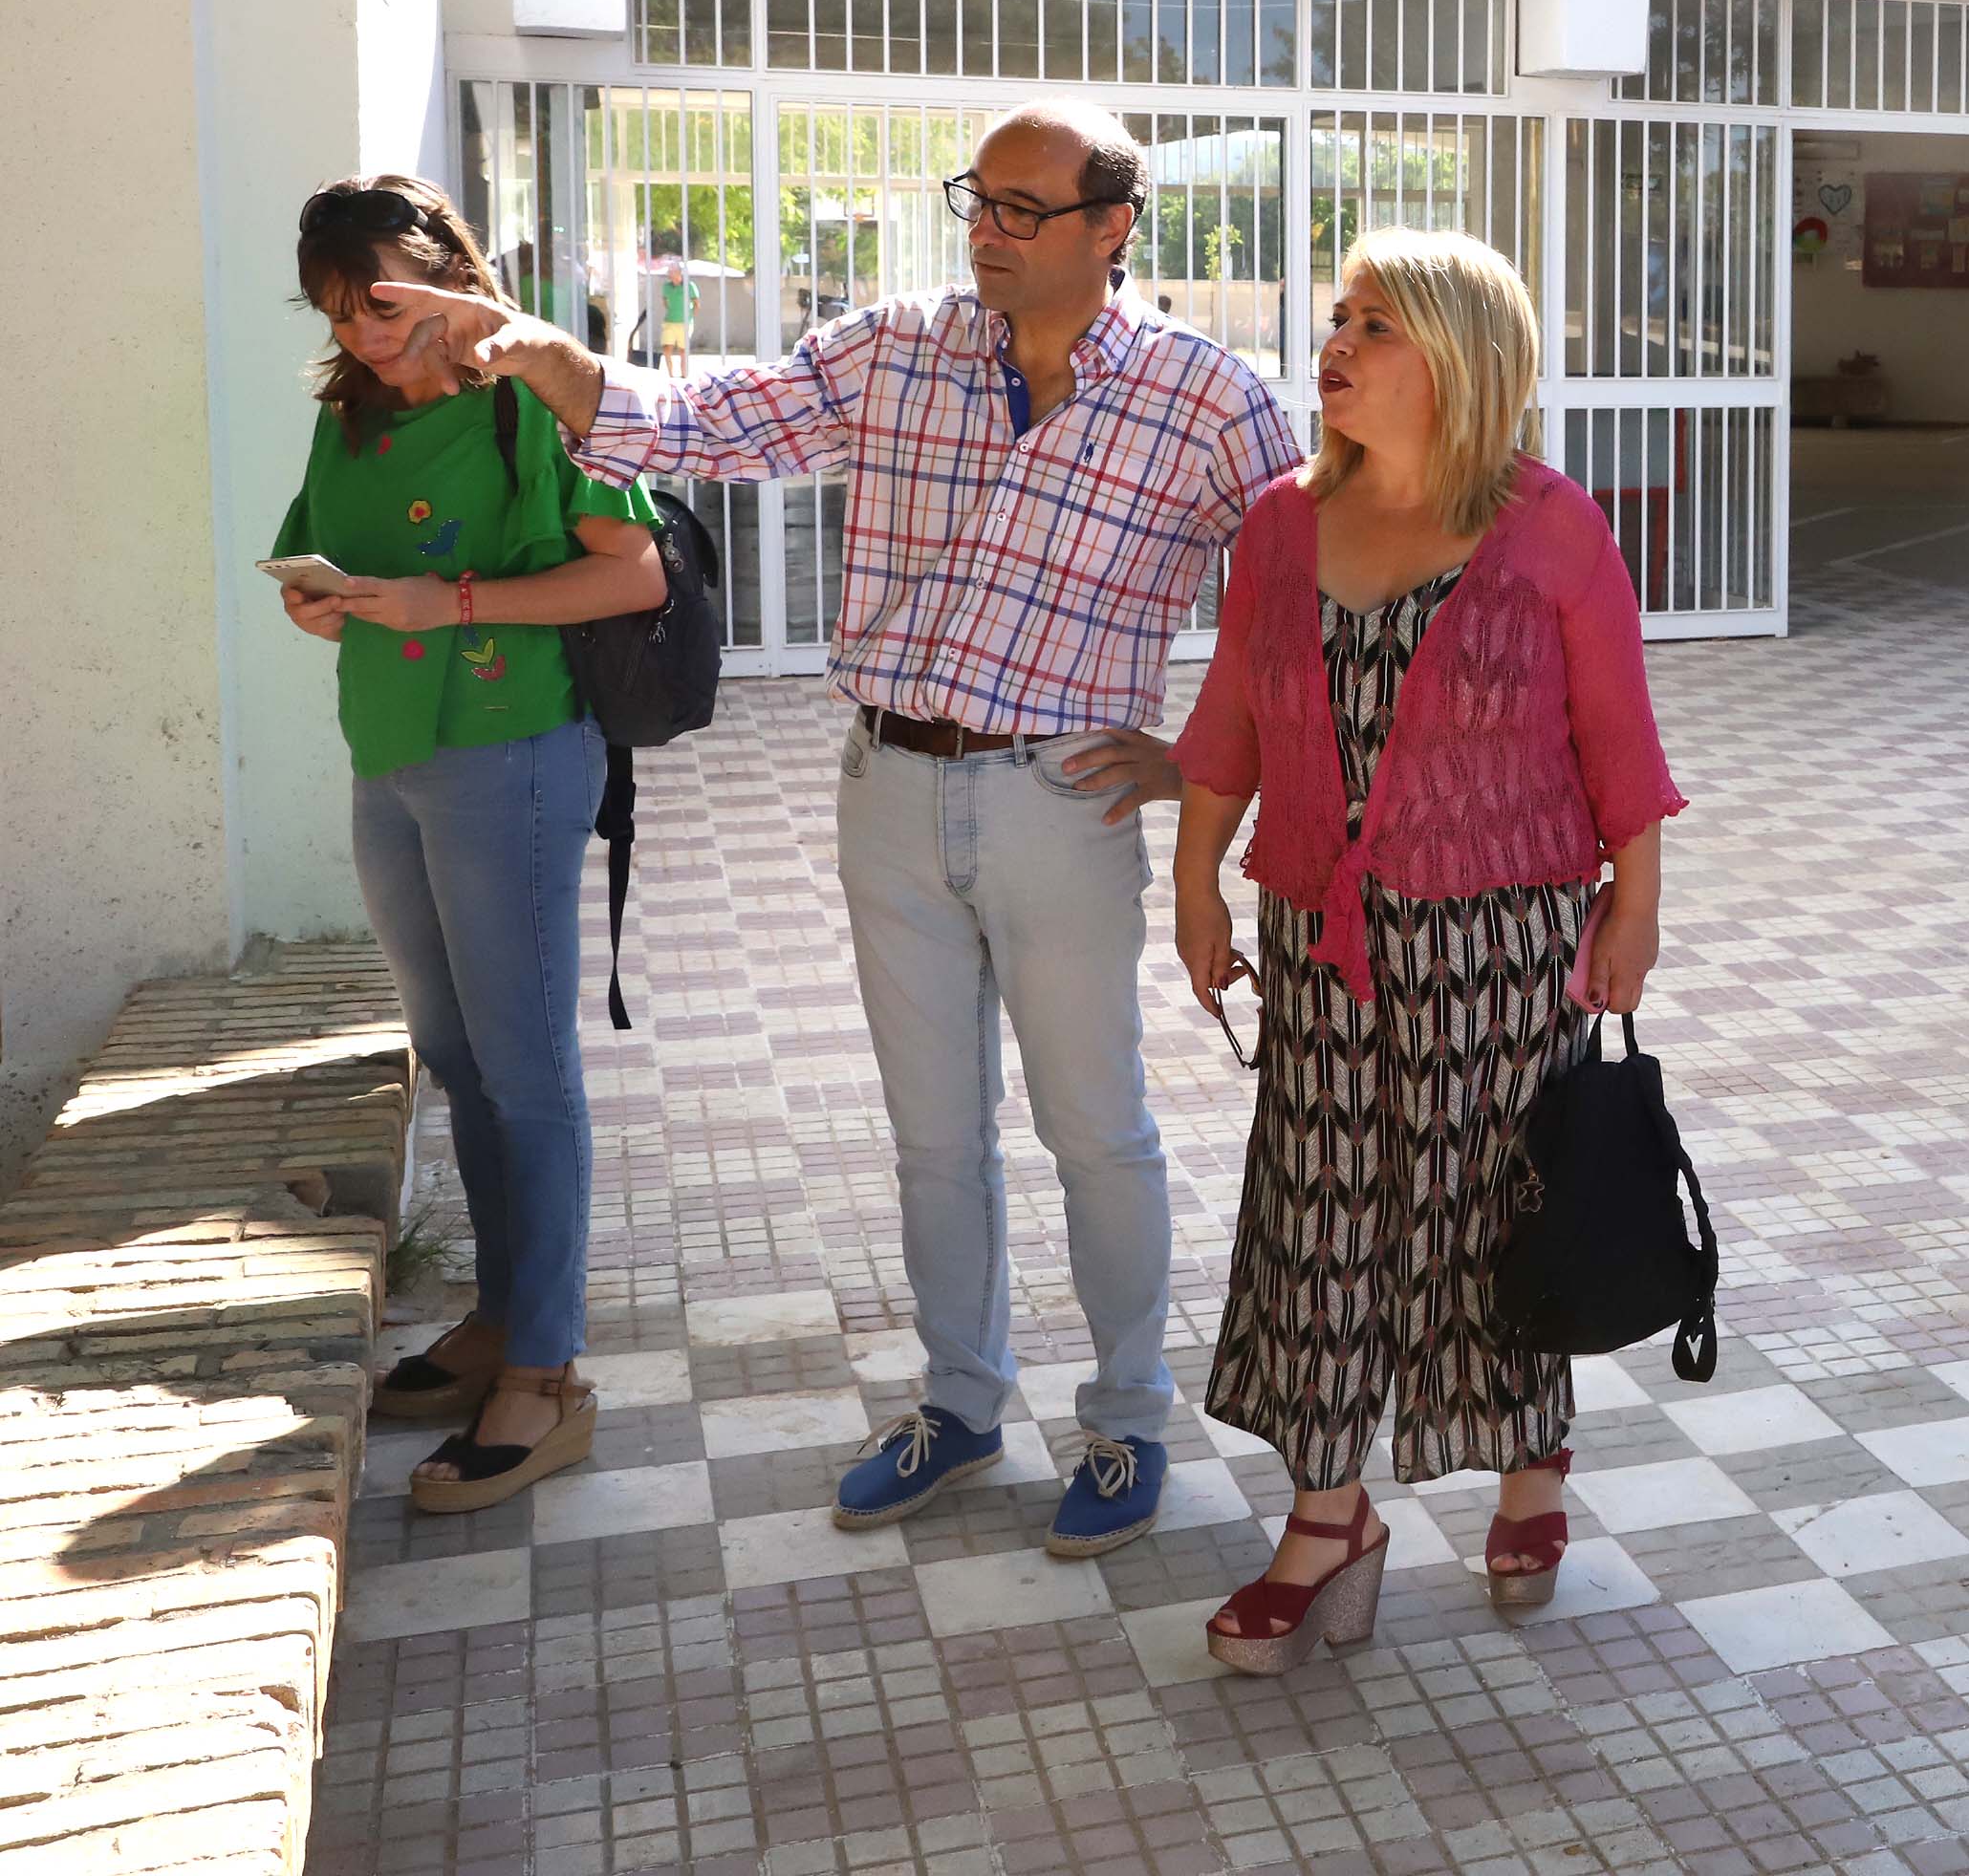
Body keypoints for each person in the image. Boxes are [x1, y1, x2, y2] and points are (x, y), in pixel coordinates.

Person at [363, 107, 1303, 1559]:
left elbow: (1297, 602)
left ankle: (1126, 1421)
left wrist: (1199, 765)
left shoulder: (1207, 398)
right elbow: (700, 424)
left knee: (1096, 1133)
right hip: (891, 795)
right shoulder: (894, 349)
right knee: (937, 1140)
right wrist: (543, 351)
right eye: (976, 200)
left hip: (1068, 799)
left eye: (1024, 208)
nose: (986, 227)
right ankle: (962, 1400)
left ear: (1114, 226)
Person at [1171, 228, 1683, 1670]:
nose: (1335, 344)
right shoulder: (1279, 522)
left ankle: (1531, 1458)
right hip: (1322, 935)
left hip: (1504, 936)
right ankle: (1328, 1520)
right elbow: (1230, 719)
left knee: (1486, 1212)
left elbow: (1618, 740)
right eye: (1338, 316)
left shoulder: (1552, 525)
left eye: (1375, 324)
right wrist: (1196, 870)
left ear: (1459, 359)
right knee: (1318, 1218)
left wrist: (1633, 903)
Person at [279, 177, 667, 1513]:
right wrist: (323, 610)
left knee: (526, 1066)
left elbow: (634, 573)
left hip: (512, 751)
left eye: (385, 299)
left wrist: (450, 602)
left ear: (445, 267)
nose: (373, 334)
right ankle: (503, 1313)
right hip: (389, 753)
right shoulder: (354, 411)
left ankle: (546, 1376)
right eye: (343, 311)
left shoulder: (538, 395)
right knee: (454, 1055)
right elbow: (318, 554)